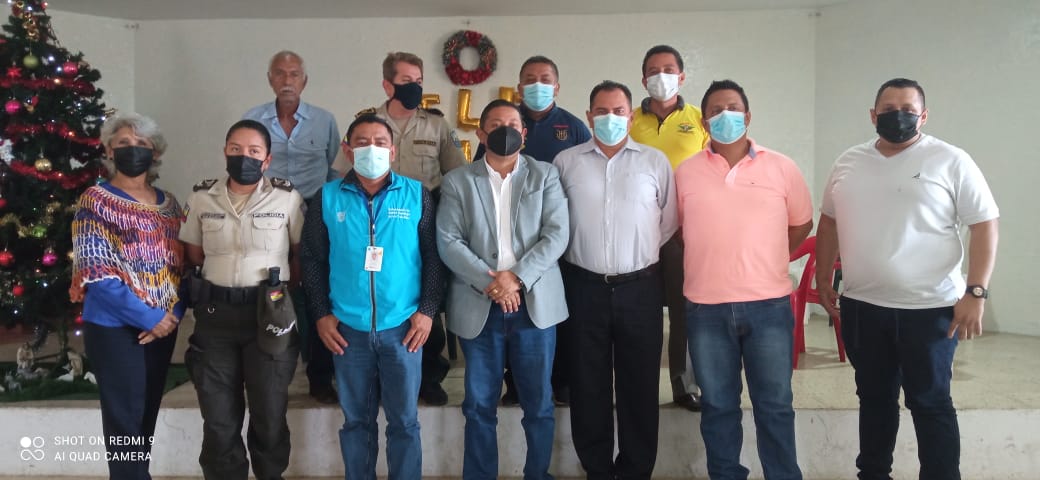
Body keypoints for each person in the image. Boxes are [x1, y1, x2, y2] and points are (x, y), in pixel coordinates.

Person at [816, 78, 999, 480]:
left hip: (930, 310)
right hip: (863, 307)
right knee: (874, 400)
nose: (897, 116)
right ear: (873, 115)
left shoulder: (950, 160)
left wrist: (976, 292)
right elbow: (828, 222)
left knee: (930, 403)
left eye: (908, 110)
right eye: (888, 109)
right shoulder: (848, 161)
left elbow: (985, 224)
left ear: (924, 116)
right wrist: (823, 277)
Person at [676, 79, 812, 480]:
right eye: (715, 110)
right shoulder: (685, 173)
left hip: (768, 306)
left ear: (748, 116)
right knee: (718, 406)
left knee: (775, 405)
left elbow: (801, 224)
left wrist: (767, 257)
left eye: (733, 108)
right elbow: (681, 230)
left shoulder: (782, 167)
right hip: (705, 309)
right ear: (704, 122)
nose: (725, 116)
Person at [302, 114, 446, 480]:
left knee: (405, 422)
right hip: (347, 329)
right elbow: (313, 260)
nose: (372, 149)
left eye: (380, 142)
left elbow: (433, 257)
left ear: (393, 150)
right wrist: (321, 314)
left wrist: (427, 311)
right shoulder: (327, 197)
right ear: (348, 150)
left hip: (403, 327)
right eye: (362, 142)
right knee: (356, 422)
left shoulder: (417, 195)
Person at [437, 100, 570, 479]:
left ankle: (537, 474)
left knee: (538, 404)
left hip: (534, 304)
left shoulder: (545, 175)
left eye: (512, 124)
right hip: (479, 304)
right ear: (481, 134)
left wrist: (515, 278)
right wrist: (491, 282)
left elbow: (557, 234)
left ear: (523, 134)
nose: (505, 130)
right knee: (479, 405)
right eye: (495, 124)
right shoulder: (458, 181)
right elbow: (449, 241)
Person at [554, 80, 678, 480]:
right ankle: (597, 469)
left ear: (631, 115)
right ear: (589, 116)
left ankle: (636, 470)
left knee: (639, 384)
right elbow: (556, 222)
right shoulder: (566, 162)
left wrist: (633, 255)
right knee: (587, 383)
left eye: (618, 111)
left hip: (640, 287)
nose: (610, 118)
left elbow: (667, 222)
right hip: (582, 287)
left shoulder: (654, 162)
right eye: (602, 111)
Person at [179, 119, 304, 480]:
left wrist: (283, 298)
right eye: (236, 149)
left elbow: (298, 253)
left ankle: (270, 474)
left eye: (253, 151)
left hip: (268, 315)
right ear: (225, 152)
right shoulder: (201, 198)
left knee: (269, 411)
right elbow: (194, 254)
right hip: (215, 316)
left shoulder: (287, 198)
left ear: (267, 159)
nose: (243, 156)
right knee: (218, 417)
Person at [70, 112, 184, 480]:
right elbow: (97, 272)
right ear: (108, 150)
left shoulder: (170, 205)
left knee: (145, 414)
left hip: (162, 327)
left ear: (155, 153)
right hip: (115, 328)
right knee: (124, 420)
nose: (133, 150)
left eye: (142, 144)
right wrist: (150, 317)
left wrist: (171, 317)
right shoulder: (95, 201)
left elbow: (182, 268)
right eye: (123, 144)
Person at [350, 51, 465, 406]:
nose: (414, 87)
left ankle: (429, 376)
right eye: (406, 81)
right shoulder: (367, 125)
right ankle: (380, 375)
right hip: (375, 219)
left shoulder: (436, 125)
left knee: (428, 295)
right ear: (387, 85)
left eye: (418, 81)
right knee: (380, 294)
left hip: (423, 217)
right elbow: (344, 172)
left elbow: (457, 173)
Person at [476, 55, 590, 406]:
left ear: (556, 86)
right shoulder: (504, 123)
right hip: (505, 244)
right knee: (511, 316)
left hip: (554, 239)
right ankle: (515, 384)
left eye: (545, 78)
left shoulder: (573, 127)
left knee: (553, 312)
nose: (537, 84)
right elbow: (481, 179)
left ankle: (561, 381)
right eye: (529, 78)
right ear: (519, 86)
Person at [243, 50, 340, 404]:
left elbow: (332, 165)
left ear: (304, 80)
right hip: (266, 213)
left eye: (294, 74)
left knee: (316, 289)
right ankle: (270, 372)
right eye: (280, 73)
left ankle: (319, 375)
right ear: (270, 79)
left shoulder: (324, 120)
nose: (287, 80)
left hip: (313, 212)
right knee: (271, 289)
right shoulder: (253, 119)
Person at [630, 45, 710, 413]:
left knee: (684, 310)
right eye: (653, 70)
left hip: (684, 232)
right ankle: (639, 385)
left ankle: (684, 385)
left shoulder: (699, 120)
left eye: (668, 69)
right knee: (640, 312)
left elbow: (713, 169)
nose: (660, 76)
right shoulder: (629, 120)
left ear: (681, 76)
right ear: (643, 79)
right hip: (638, 232)